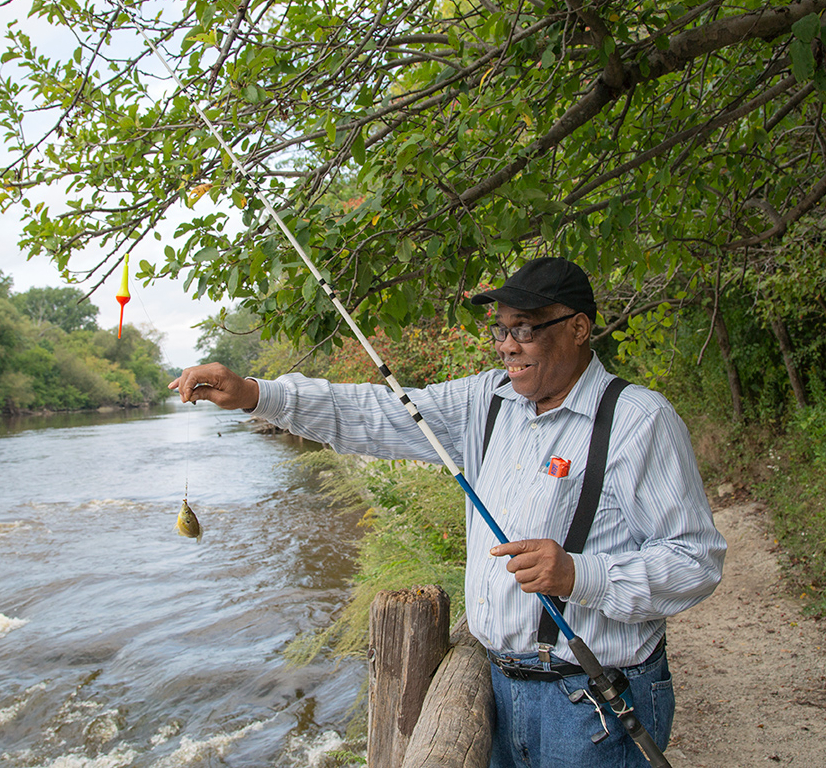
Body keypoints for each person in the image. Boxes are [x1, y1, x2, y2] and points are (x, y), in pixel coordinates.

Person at [169, 257, 726, 767]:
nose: (507, 345)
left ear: (578, 329)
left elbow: (696, 562)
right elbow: (372, 412)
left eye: (526, 328)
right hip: (498, 692)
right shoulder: (486, 400)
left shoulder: (639, 421)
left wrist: (581, 574)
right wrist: (253, 394)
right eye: (501, 329)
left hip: (595, 706)